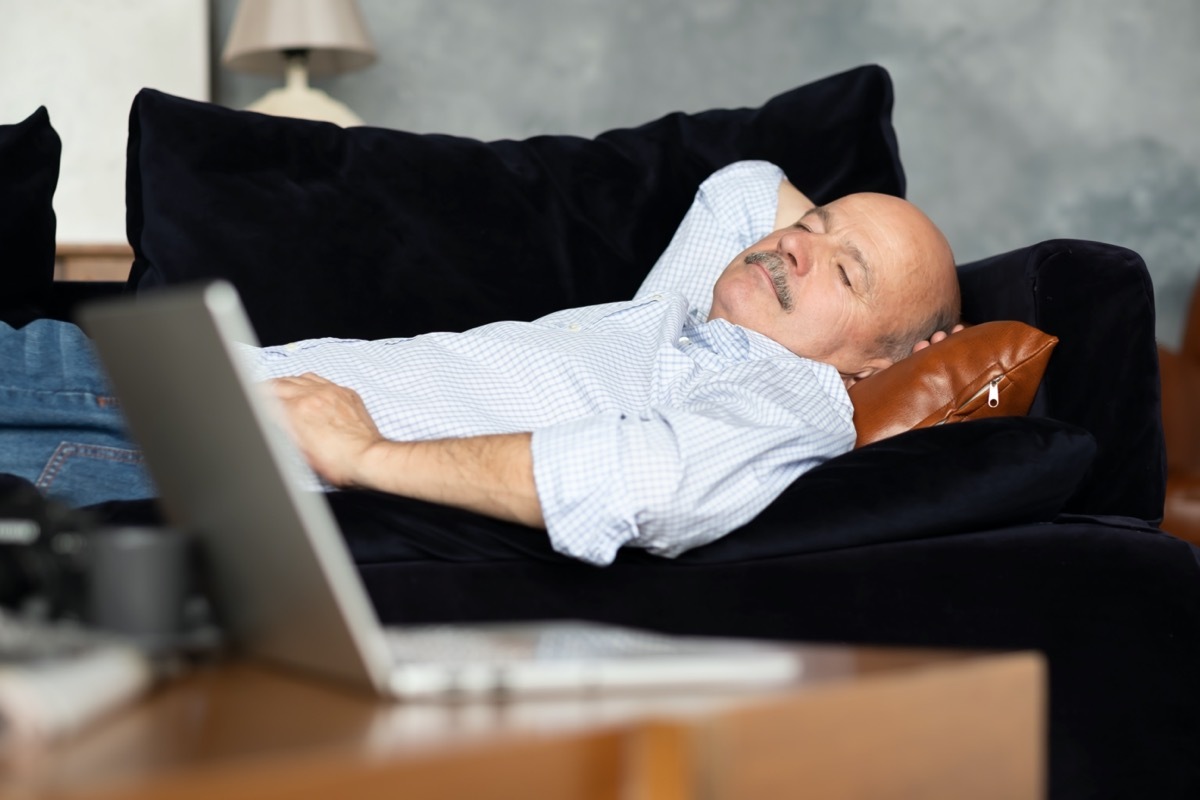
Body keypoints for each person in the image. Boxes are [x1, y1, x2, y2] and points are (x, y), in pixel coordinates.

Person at [0, 161, 959, 566]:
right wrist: (828, 254)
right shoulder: (671, 316)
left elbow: (647, 485)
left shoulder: (783, 394)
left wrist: (364, 454)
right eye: (815, 222)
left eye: (845, 269)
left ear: (881, 360)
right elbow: (745, 186)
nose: (796, 243)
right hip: (158, 380)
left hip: (178, 452)